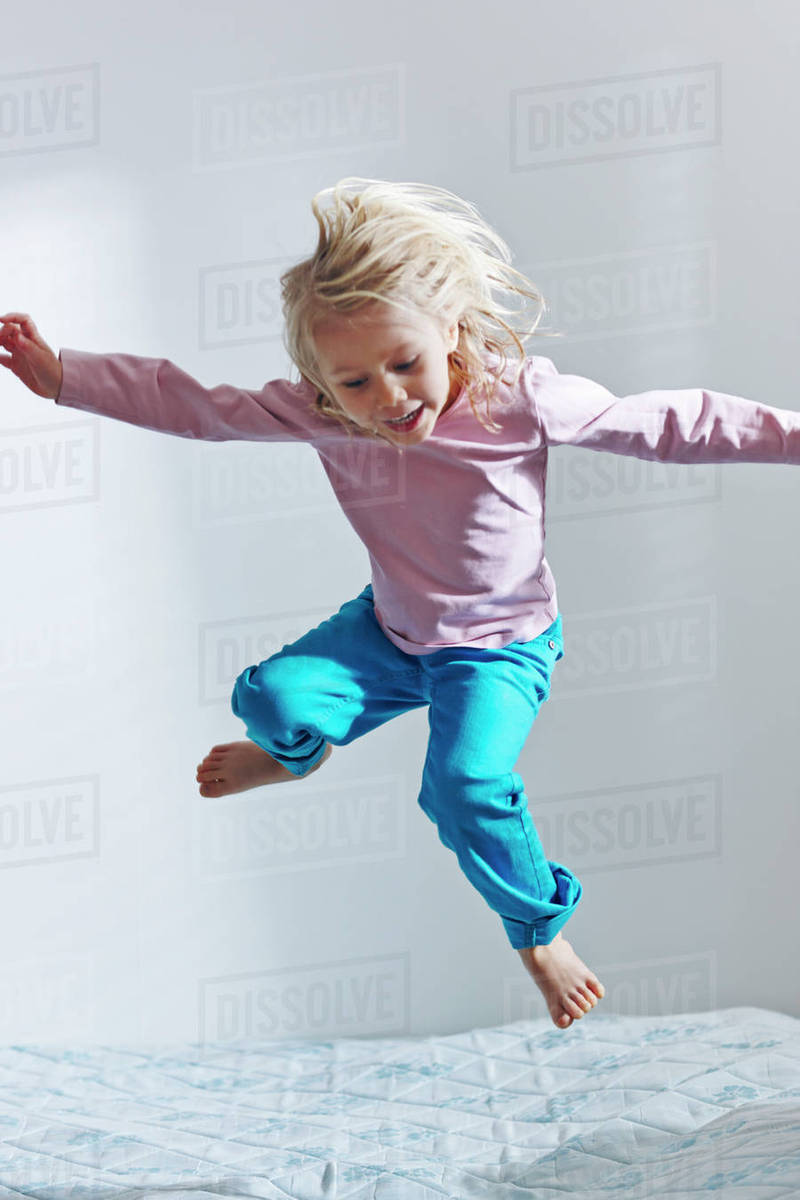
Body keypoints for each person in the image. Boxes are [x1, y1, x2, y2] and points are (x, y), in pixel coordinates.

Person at [3, 178, 799, 1032]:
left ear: (450, 330)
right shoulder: (324, 415)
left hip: (500, 647)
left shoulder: (518, 400)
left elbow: (670, 422)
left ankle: (538, 929)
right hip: (390, 631)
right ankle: (295, 754)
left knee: (463, 783)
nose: (388, 397)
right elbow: (198, 407)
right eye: (354, 380)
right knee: (268, 698)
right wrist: (65, 379)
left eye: (405, 364)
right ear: (319, 382)